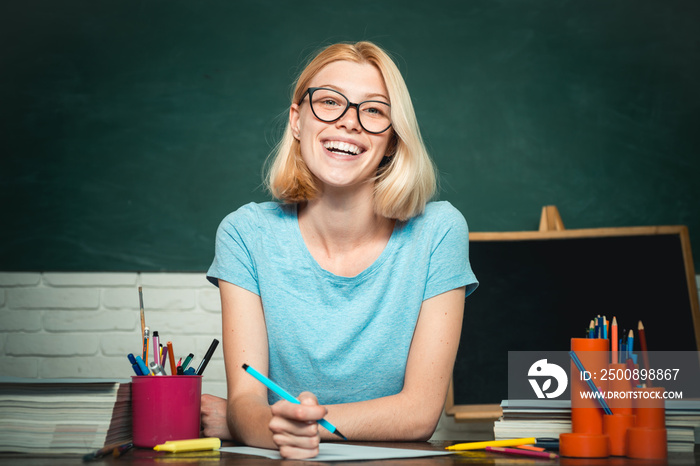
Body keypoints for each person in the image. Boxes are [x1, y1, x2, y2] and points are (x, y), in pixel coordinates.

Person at [203, 41, 478, 459]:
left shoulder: (438, 231)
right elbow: (245, 403)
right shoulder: (245, 234)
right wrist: (251, 421)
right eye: (329, 101)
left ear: (392, 139)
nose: (349, 122)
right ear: (297, 121)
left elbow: (420, 414)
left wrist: (273, 424)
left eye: (373, 110)